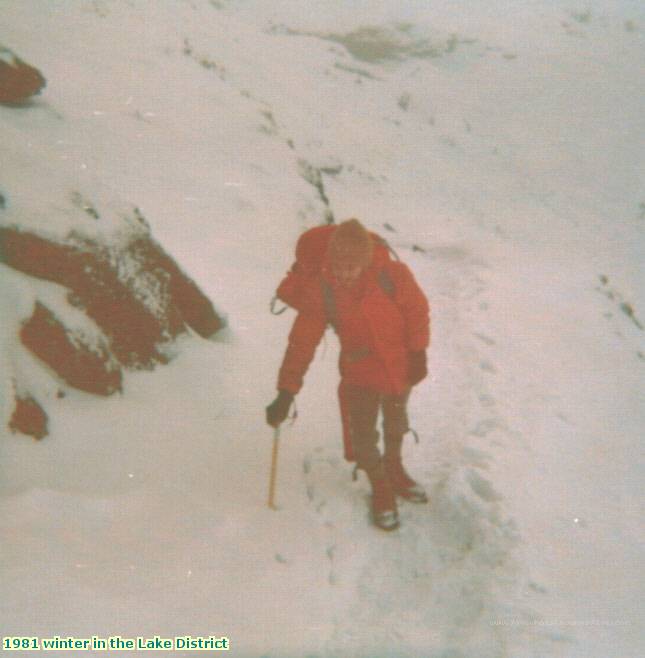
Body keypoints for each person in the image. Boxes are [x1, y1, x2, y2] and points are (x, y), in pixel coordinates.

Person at [265, 218, 430, 530]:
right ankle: (380, 486)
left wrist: (418, 353)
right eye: (338, 265)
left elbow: (417, 312)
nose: (343, 273)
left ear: (365, 261)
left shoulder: (393, 276)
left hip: (399, 367)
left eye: (351, 266)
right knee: (363, 436)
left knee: (396, 423)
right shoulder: (322, 290)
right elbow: (301, 343)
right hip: (359, 373)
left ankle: (395, 469)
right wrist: (286, 392)